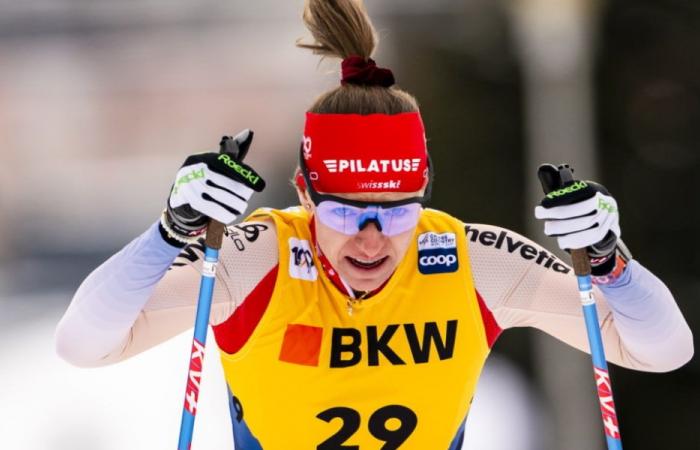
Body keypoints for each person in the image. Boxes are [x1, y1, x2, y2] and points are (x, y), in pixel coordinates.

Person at [55, 1, 693, 448]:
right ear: (304, 194)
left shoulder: (473, 259)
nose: (372, 235)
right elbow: (84, 344)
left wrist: (609, 260)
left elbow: (663, 351)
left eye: (397, 211)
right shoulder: (257, 259)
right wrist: (169, 232)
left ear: (426, 197)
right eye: (343, 210)